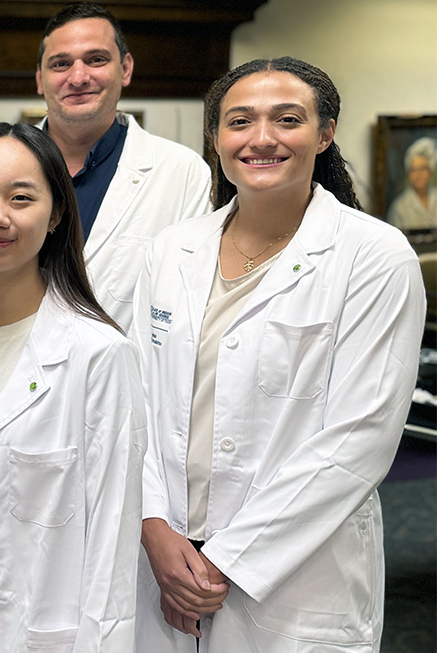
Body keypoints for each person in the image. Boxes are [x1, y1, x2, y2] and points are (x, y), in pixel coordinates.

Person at [132, 58, 425, 652]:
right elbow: (134, 405)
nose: (261, 138)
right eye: (240, 121)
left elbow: (359, 437)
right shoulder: (170, 252)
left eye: (287, 119)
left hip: (295, 578)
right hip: (163, 561)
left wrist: (227, 561)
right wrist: (153, 527)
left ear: (324, 134)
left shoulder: (373, 256)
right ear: (216, 138)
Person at [0, 122, 146, 652]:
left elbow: (114, 535)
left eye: (21, 198)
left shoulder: (99, 355)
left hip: (41, 631)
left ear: (57, 212)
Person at [35, 2, 212, 331]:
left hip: (128, 379)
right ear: (40, 80)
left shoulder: (182, 173)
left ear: (126, 69)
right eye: (60, 64)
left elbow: (192, 304)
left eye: (96, 60)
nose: (78, 77)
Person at [387, 136, 436, 230]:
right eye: (414, 170)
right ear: (408, 173)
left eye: (422, 169)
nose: (418, 175)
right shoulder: (399, 208)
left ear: (430, 171)